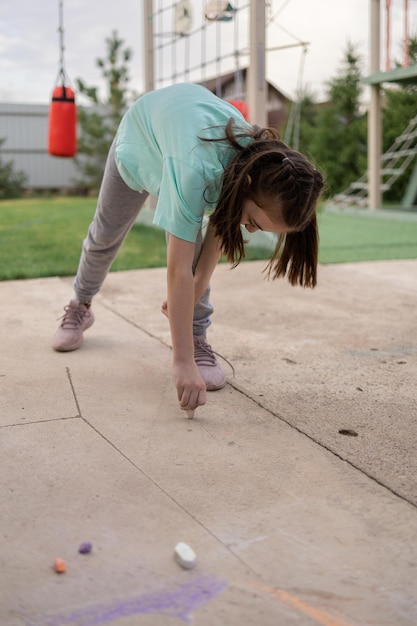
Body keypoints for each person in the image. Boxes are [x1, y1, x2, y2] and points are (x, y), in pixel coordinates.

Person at [53, 82, 324, 414]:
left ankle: (197, 337)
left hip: (180, 140)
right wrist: (181, 363)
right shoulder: (195, 168)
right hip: (140, 140)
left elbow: (219, 231)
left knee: (197, 256)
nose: (249, 229)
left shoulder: (257, 165)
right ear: (248, 186)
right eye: (254, 221)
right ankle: (80, 304)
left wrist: (194, 293)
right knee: (106, 235)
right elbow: (177, 269)